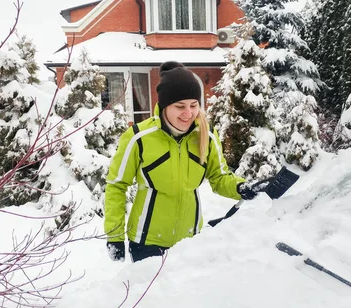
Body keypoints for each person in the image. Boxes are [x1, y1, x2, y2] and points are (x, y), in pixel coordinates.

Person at [104, 61, 258, 262]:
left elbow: (219, 178)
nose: (188, 114)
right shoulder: (138, 137)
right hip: (146, 242)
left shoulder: (206, 136)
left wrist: (240, 188)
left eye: (194, 105)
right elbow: (116, 186)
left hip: (190, 241)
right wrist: (114, 236)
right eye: (180, 106)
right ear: (165, 105)